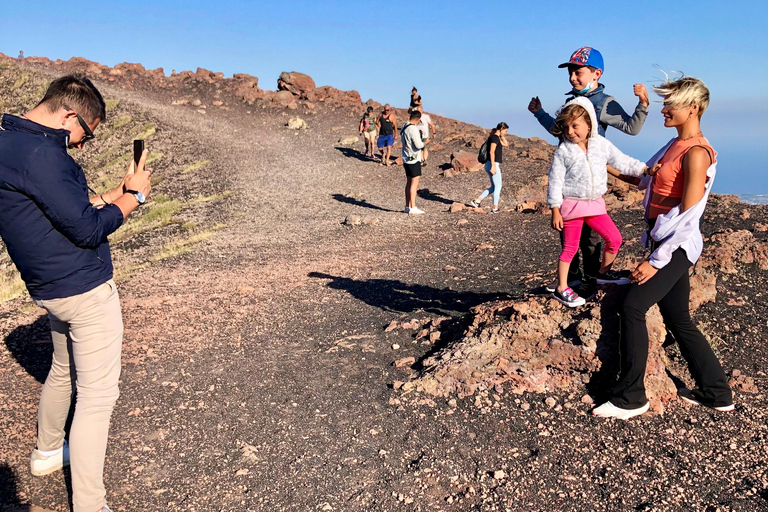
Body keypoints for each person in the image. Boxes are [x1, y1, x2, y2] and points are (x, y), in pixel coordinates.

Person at [0, 74, 153, 512]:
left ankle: (47, 453)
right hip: (84, 289)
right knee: (97, 396)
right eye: (86, 133)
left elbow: (62, 211)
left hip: (48, 289)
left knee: (63, 371)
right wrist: (136, 200)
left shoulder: (11, 144)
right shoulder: (46, 156)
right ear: (70, 114)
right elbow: (87, 229)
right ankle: (89, 504)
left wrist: (117, 193)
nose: (82, 145)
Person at [592, 76, 734, 419]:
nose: (664, 109)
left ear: (694, 108)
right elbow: (643, 178)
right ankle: (716, 392)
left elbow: (689, 215)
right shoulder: (674, 145)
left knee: (632, 307)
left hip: (677, 246)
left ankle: (631, 397)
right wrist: (599, 162)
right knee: (678, 318)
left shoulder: (697, 153)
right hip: (664, 243)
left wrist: (656, 261)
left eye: (671, 104)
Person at [529, 47, 650, 301]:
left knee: (593, 238)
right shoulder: (571, 101)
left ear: (596, 73)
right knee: (570, 236)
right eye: (571, 71)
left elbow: (631, 127)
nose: (573, 77)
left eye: (578, 71)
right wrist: (539, 112)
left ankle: (594, 279)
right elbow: (556, 129)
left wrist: (643, 104)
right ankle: (571, 279)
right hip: (574, 179)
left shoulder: (605, 103)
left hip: (593, 175)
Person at [546, 98, 648, 307]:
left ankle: (603, 273)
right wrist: (555, 209)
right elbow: (555, 180)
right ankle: (561, 288)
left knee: (615, 239)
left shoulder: (601, 145)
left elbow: (622, 161)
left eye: (575, 125)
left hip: (594, 204)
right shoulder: (564, 151)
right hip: (571, 206)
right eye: (566, 127)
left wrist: (644, 170)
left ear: (589, 123)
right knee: (570, 249)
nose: (570, 131)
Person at [469, 122, 509, 214]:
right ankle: (495, 208)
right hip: (492, 164)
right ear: (501, 129)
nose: (506, 133)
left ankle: (477, 201)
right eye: (505, 131)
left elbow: (506, 144)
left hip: (490, 164)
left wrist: (502, 135)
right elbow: (491, 152)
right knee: (498, 187)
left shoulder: (496, 137)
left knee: (494, 187)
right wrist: (493, 166)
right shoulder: (494, 138)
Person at [400, 110, 429, 214]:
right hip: (413, 158)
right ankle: (413, 206)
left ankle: (407, 205)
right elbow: (418, 145)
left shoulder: (404, 126)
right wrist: (425, 142)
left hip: (406, 157)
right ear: (418, 119)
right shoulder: (413, 129)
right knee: (415, 182)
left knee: (408, 182)